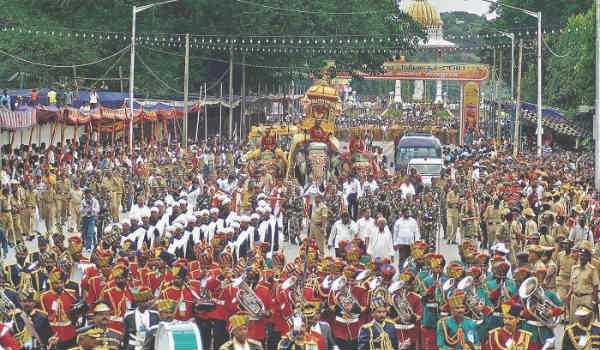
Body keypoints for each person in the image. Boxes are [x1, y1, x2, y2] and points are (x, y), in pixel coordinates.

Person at [568, 240, 600, 322]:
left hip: (586, 299)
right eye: (581, 255)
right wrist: (568, 295)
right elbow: (572, 285)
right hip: (575, 298)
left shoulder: (592, 270)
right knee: (574, 322)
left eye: (584, 256)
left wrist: (593, 302)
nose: (582, 258)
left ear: (588, 257)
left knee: (586, 322)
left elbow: (595, 287)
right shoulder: (574, 268)